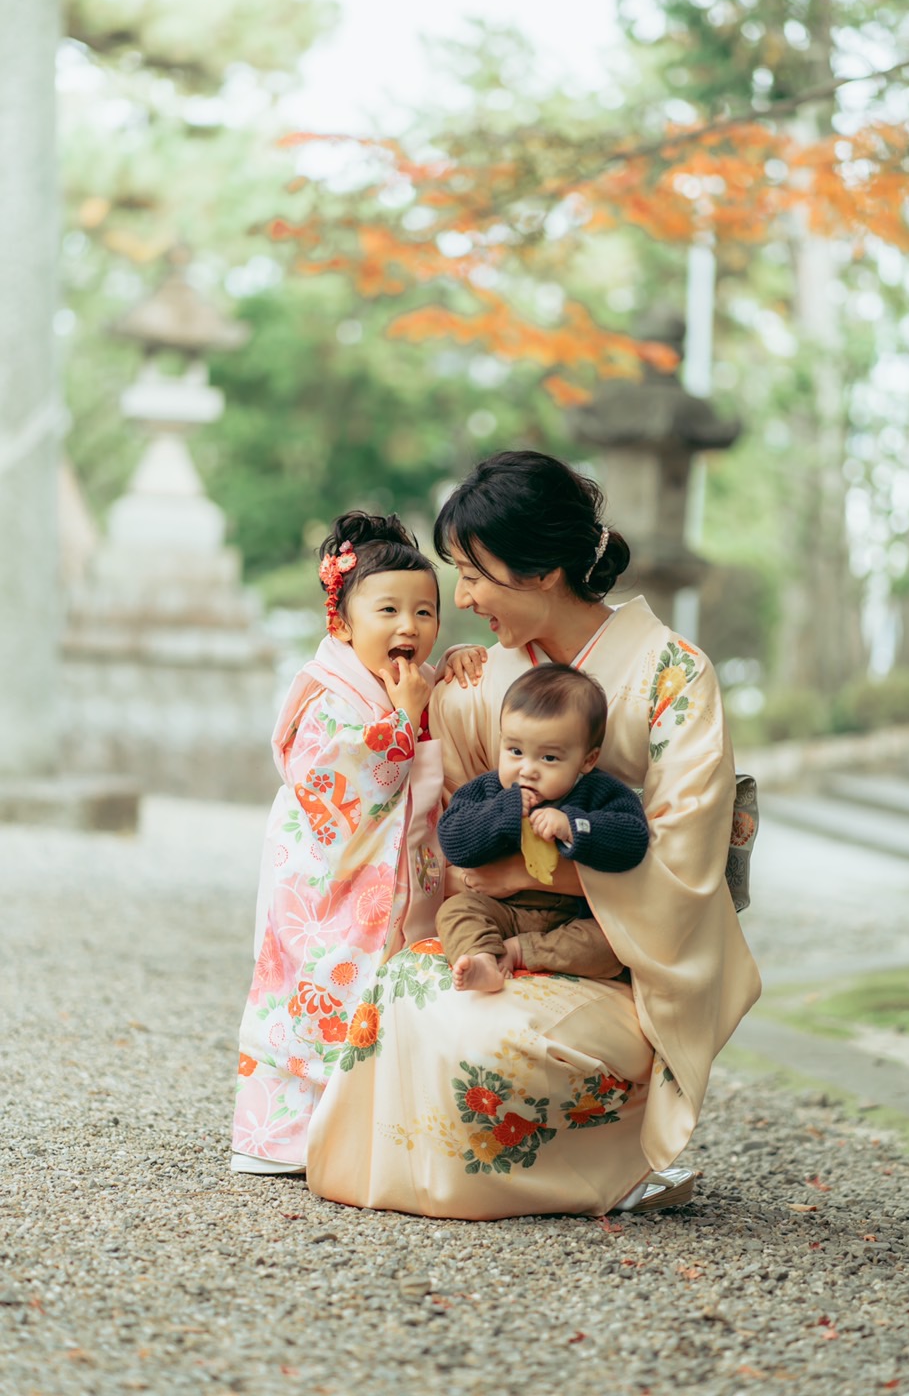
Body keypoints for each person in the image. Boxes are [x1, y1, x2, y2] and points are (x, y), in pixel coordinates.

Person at [306, 452, 762, 1219]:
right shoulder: (477, 679)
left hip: (617, 961)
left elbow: (684, 859)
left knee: (495, 1042)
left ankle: (615, 1165)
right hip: (500, 936)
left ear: (543, 571)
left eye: (474, 573)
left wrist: (529, 874)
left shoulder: (675, 675)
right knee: (411, 988)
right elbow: (458, 847)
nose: (462, 597)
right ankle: (450, 1172)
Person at [231, 511, 445, 1175]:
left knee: (374, 1000)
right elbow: (336, 778)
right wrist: (403, 723)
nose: (409, 628)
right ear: (343, 623)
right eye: (389, 610)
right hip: (322, 877)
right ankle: (281, 1141)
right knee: (314, 994)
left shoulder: (410, 683)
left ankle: (358, 1140)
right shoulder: (326, 692)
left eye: (425, 612)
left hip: (375, 876)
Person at [436, 663, 648, 991]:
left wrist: (573, 826)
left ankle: (521, 951)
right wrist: (502, 812)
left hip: (574, 918)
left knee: (614, 945)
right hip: (501, 909)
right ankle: (481, 958)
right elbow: (453, 838)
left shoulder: (598, 791)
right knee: (455, 911)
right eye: (516, 751)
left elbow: (633, 839)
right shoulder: (491, 790)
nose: (527, 770)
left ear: (587, 760)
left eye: (549, 758)